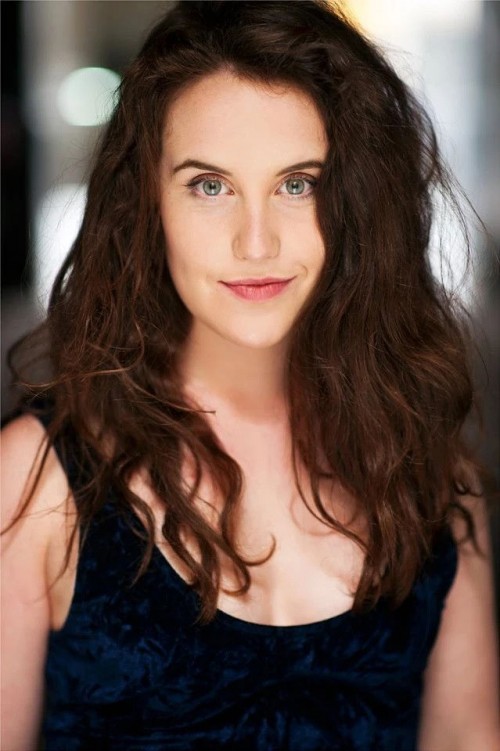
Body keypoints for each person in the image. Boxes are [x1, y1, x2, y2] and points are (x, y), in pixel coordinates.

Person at [1, 1, 499, 749]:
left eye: (298, 184)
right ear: (148, 205)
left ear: (356, 203)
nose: (256, 242)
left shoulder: (429, 475)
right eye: (210, 186)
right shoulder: (36, 483)